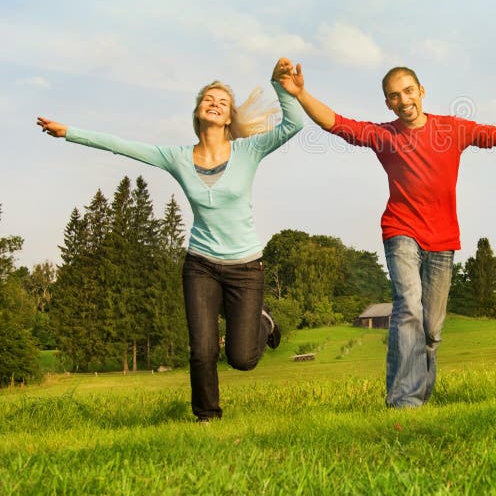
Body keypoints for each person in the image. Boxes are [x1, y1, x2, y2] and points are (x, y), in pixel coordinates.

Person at [277, 61, 496, 408]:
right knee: (408, 306)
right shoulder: (385, 136)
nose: (403, 100)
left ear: (421, 92)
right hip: (401, 230)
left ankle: (420, 395)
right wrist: (300, 93)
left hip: (443, 239)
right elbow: (336, 123)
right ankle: (403, 401)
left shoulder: (451, 129)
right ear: (388, 104)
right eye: (394, 96)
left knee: (431, 330)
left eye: (408, 91)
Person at [36, 58, 303, 422]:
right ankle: (207, 417)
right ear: (198, 112)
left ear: (228, 118)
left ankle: (264, 323)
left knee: (242, 359)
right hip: (201, 264)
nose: (214, 103)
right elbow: (122, 145)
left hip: (245, 266)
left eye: (222, 102)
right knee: (202, 349)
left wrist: (279, 85)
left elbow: (294, 124)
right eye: (208, 99)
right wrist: (70, 132)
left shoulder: (248, 150)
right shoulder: (178, 157)